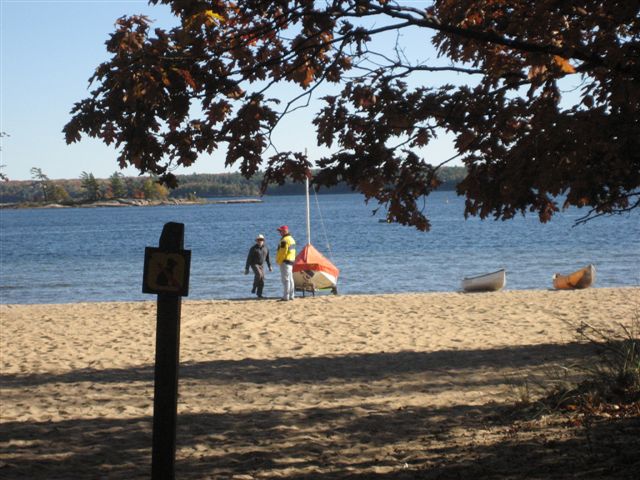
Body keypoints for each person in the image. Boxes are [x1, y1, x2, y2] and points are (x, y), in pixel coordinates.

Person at [244, 234, 272, 298]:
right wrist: (247, 269)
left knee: (262, 279)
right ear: (256, 241)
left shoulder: (266, 248)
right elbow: (249, 258)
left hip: (262, 265)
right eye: (258, 240)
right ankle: (254, 288)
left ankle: (259, 294)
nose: (260, 241)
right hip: (254, 264)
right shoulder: (253, 248)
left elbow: (268, 258)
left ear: (263, 241)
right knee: (259, 275)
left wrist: (269, 266)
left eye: (261, 240)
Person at [275, 225, 296, 301]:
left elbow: (282, 252)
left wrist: (279, 261)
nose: (280, 233)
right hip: (291, 261)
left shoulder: (284, 240)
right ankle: (291, 295)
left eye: (280, 231)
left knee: (285, 280)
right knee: (290, 279)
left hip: (285, 262)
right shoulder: (292, 239)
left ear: (285, 231)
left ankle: (286, 296)